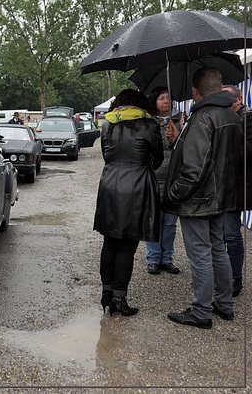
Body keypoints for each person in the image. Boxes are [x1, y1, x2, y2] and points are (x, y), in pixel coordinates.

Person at [165, 68, 243, 329]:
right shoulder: (232, 116)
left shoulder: (202, 118)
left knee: (201, 254)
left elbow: (194, 169)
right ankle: (224, 304)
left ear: (195, 92)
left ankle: (201, 311)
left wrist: (174, 193)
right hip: (220, 197)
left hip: (197, 200)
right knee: (218, 250)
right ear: (220, 88)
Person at [93, 89, 163, 317]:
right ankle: (119, 299)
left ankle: (106, 294)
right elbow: (158, 160)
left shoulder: (108, 124)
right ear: (141, 104)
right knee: (126, 246)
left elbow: (106, 155)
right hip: (136, 187)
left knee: (109, 242)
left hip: (109, 185)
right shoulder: (149, 125)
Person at [144, 87, 182, 275]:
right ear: (154, 102)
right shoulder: (149, 123)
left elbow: (187, 148)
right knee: (153, 221)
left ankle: (166, 258)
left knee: (169, 223)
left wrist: (178, 136)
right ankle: (152, 259)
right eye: (161, 98)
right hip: (153, 178)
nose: (166, 101)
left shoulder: (180, 120)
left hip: (173, 178)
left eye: (168, 97)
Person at [222, 84, 252, 297]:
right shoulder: (221, 118)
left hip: (239, 185)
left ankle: (235, 278)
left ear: (238, 100)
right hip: (223, 184)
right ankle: (223, 274)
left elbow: (248, 151)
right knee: (221, 233)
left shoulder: (248, 118)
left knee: (231, 233)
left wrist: (223, 143)